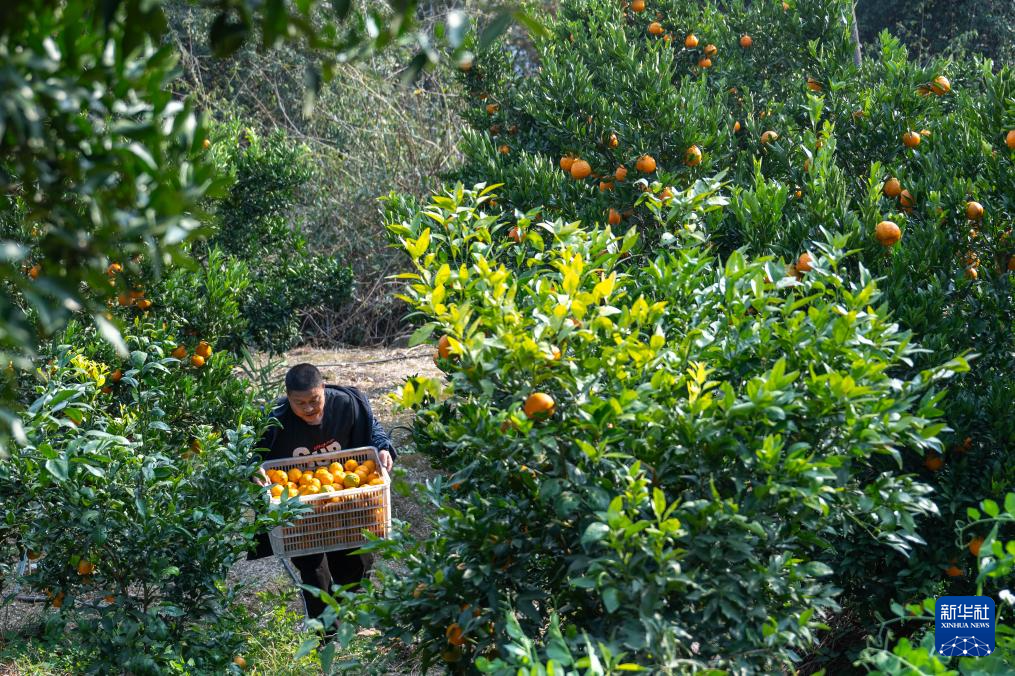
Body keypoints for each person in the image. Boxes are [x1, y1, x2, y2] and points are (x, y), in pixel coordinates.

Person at [251, 363, 396, 634]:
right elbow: (252, 452)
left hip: (345, 498)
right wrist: (253, 468)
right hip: (298, 505)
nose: (308, 408)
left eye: (314, 400)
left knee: (355, 557)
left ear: (324, 390)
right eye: (300, 403)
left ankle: (355, 620)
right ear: (288, 398)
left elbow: (372, 428)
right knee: (312, 566)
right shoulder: (274, 420)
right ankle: (324, 632)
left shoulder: (348, 404)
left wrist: (383, 447)